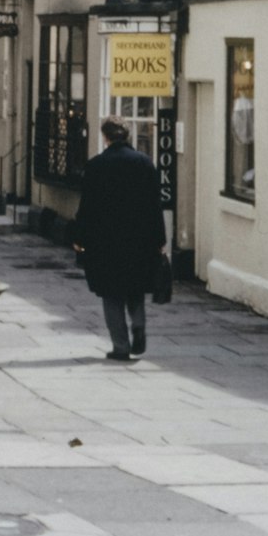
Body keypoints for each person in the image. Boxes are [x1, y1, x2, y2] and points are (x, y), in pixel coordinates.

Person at [73, 117, 167, 361]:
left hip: (104, 242)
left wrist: (78, 237)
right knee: (134, 289)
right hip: (140, 240)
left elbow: (87, 208)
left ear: (105, 137)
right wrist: (160, 238)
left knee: (111, 294)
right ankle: (138, 324)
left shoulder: (95, 166)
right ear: (127, 136)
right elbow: (154, 206)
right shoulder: (145, 164)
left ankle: (121, 346)